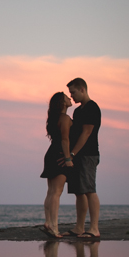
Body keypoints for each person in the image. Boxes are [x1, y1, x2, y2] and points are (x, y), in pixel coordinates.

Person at [63, 78, 101, 239]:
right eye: (70, 93)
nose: (71, 96)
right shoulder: (77, 111)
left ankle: (94, 228)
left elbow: (86, 133)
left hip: (88, 154)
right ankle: (79, 227)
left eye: (73, 92)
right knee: (79, 192)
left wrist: (72, 154)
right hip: (77, 155)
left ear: (82, 90)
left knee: (89, 190)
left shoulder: (92, 108)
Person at [39, 92, 74, 237]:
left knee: (51, 191)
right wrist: (68, 159)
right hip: (60, 154)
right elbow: (65, 140)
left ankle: (49, 222)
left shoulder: (53, 118)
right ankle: (53, 226)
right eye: (67, 97)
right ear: (62, 103)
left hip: (51, 154)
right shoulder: (64, 118)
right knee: (56, 192)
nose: (69, 98)